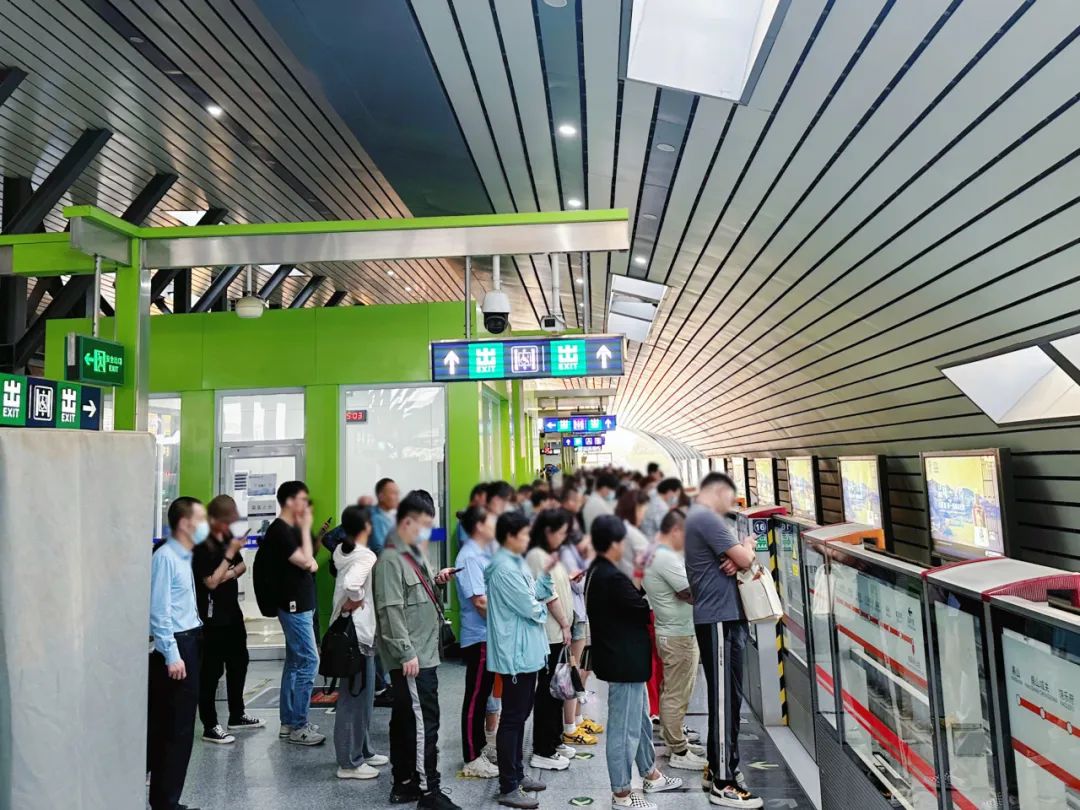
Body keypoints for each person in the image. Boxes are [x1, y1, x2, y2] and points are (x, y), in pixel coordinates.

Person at [584, 515, 682, 810]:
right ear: (615, 543)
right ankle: (622, 793)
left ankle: (651, 774)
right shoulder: (611, 576)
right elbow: (640, 608)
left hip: (624, 659)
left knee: (639, 721)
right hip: (623, 662)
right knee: (623, 730)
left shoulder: (599, 569)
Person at [372, 491, 460, 810]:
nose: (426, 531)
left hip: (422, 651)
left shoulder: (412, 553)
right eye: (422, 525)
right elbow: (390, 609)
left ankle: (406, 782)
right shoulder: (390, 559)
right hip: (413, 657)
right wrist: (405, 651)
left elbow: (416, 596)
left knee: (407, 719)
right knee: (425, 721)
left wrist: (438, 581)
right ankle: (428, 791)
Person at [685, 473, 762, 808]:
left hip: (722, 617)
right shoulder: (706, 518)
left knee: (728, 698)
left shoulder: (701, 518)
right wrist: (746, 548)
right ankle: (723, 782)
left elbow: (736, 559)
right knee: (723, 700)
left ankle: (719, 766)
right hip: (718, 618)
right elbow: (745, 559)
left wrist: (739, 553)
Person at [485, 511, 557, 809]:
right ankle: (508, 785)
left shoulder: (517, 562)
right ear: (510, 536)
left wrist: (547, 574)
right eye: (524, 534)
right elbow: (531, 608)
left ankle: (516, 772)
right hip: (515, 654)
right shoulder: (504, 568)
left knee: (520, 715)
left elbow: (537, 592)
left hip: (527, 651)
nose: (528, 539)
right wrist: (541, 606)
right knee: (512, 719)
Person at [147, 497, 206, 810]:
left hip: (191, 640)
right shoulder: (166, 557)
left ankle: (168, 798)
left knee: (181, 726)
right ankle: (165, 801)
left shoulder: (184, 555)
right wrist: (171, 654)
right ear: (184, 523)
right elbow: (159, 610)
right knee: (174, 727)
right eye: (200, 519)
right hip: (177, 645)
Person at [193, 495, 263, 745]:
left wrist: (227, 572)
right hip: (212, 619)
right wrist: (228, 558)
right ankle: (210, 724)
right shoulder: (202, 544)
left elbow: (241, 567)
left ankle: (237, 713)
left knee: (239, 663)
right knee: (211, 673)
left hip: (232, 614)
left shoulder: (226, 538)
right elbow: (210, 582)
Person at [259, 480, 325, 745]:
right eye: (302, 500)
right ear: (289, 502)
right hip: (293, 606)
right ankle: (299, 725)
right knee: (309, 661)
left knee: (296, 662)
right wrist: (307, 528)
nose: (306, 505)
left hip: (300, 604)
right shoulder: (280, 531)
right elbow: (308, 562)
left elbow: (310, 560)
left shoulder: (289, 530)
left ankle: (289, 722)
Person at [642, 509, 706, 771]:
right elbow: (690, 592)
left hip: (673, 631)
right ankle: (678, 749)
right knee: (677, 693)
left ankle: (675, 740)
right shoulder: (664, 557)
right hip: (678, 634)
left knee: (673, 690)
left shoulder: (656, 553)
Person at [525, 510, 584, 764]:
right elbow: (547, 595)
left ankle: (555, 739)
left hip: (559, 632)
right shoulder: (537, 556)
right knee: (548, 692)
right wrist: (564, 624)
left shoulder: (550, 554)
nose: (563, 537)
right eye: (560, 532)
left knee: (559, 689)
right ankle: (543, 750)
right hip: (550, 633)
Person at [330, 505, 382, 780]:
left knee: (363, 696)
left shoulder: (342, 551)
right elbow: (352, 584)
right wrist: (356, 600)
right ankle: (349, 763)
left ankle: (363, 750)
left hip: (355, 633)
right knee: (354, 699)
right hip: (357, 634)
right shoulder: (365, 556)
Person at [454, 505, 501, 779]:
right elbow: (480, 602)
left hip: (488, 634)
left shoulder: (483, 553)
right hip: (479, 635)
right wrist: (504, 622)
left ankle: (480, 746)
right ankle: (471, 757)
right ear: (480, 526)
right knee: (475, 697)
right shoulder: (470, 556)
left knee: (483, 696)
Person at [557, 488, 602, 739]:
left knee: (583, 667)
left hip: (582, 612)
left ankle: (577, 718)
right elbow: (576, 583)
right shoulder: (566, 549)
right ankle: (569, 726)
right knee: (573, 670)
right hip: (574, 613)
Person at [614, 490, 651, 582]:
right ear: (634, 509)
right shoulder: (631, 532)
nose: (643, 517)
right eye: (642, 511)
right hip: (632, 581)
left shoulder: (619, 525)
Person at [372, 478, 401, 554]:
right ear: (381, 496)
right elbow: (380, 549)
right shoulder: (375, 519)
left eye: (398, 493)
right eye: (394, 493)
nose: (397, 497)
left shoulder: (395, 516)